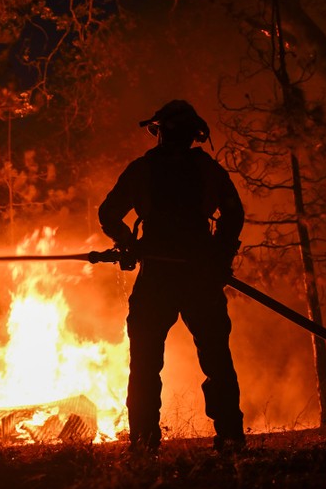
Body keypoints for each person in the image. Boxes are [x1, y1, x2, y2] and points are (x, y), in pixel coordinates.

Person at [98, 99, 246, 454]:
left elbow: (109, 213)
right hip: (200, 276)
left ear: (159, 131)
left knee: (146, 364)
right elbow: (233, 213)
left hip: (159, 279)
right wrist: (220, 257)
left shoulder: (142, 171)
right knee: (216, 361)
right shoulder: (206, 169)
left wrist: (129, 244)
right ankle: (230, 438)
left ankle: (145, 443)